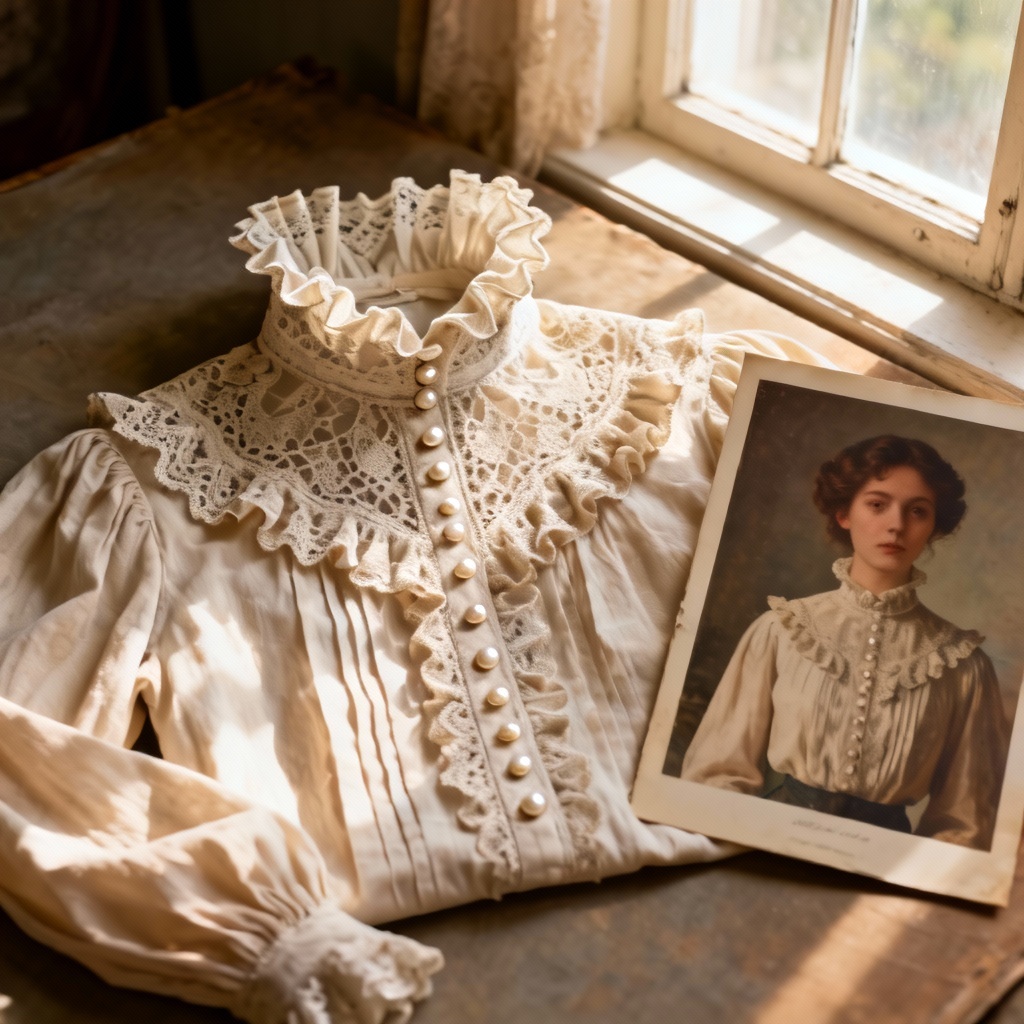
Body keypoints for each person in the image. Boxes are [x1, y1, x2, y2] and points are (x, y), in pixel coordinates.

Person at [681, 434, 1009, 849]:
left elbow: (966, 822)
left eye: (918, 511)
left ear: (933, 527)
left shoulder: (963, 667)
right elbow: (715, 775)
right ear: (843, 513)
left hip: (883, 867)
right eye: (877, 504)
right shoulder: (781, 630)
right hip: (763, 844)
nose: (896, 525)